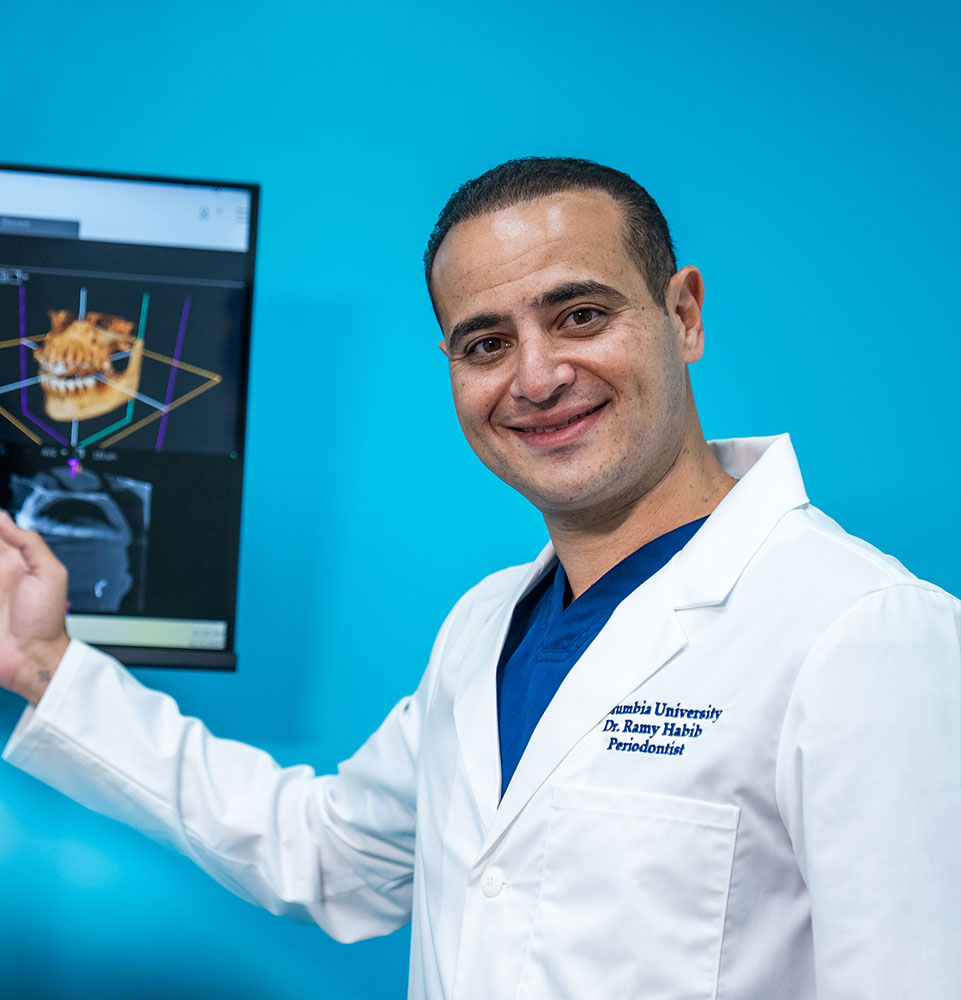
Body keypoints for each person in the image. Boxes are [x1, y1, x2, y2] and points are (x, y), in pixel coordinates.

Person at [0, 158, 958, 999]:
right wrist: (45, 664)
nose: (534, 379)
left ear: (682, 314)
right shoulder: (485, 624)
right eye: (485, 343)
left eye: (580, 315)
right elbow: (330, 854)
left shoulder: (864, 633)